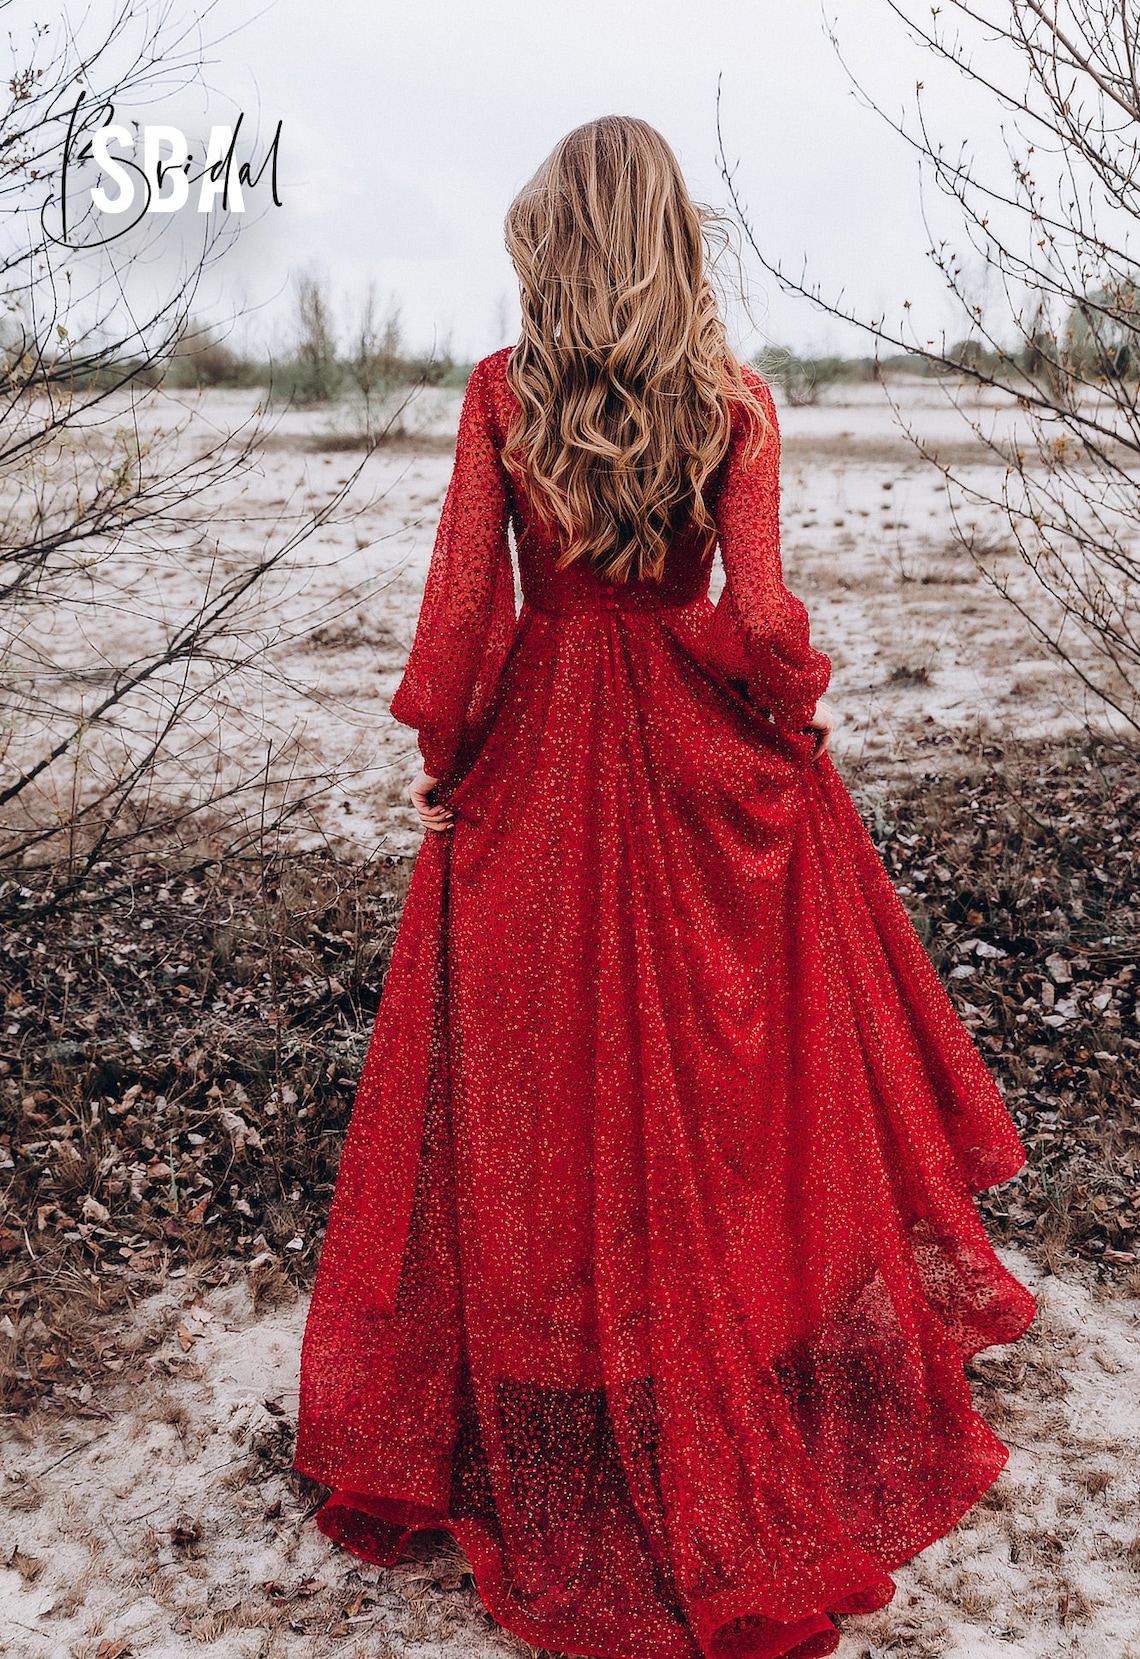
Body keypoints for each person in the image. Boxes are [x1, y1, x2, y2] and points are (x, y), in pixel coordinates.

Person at [294, 115, 1036, 1659]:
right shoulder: (735, 403)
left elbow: (459, 620)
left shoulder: (503, 397)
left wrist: (449, 751)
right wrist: (794, 707)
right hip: (697, 763)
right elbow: (759, 613)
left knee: (548, 1071)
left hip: (547, 762)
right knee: (720, 1068)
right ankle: (724, 1331)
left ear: (556, 246)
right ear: (673, 243)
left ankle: (572, 1358)